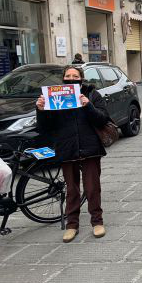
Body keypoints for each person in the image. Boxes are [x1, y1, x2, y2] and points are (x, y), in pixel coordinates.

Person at [36, 65, 109, 243]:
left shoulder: (92, 94)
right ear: (63, 79)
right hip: (67, 147)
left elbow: (103, 119)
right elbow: (45, 127)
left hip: (90, 147)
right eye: (67, 75)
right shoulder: (54, 95)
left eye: (74, 75)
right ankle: (72, 225)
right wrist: (41, 110)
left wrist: (87, 105)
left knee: (92, 188)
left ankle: (97, 222)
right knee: (71, 189)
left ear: (81, 78)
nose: (71, 78)